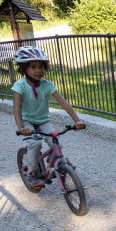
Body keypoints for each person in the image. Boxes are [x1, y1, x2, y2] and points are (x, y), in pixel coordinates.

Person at [12, 45, 86, 189]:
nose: (38, 70)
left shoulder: (47, 85)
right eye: (33, 67)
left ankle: (60, 166)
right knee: (35, 143)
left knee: (55, 143)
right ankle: (32, 173)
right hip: (27, 121)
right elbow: (17, 108)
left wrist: (77, 120)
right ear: (23, 69)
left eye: (41, 67)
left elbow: (63, 103)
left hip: (43, 120)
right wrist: (21, 127)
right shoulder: (19, 86)